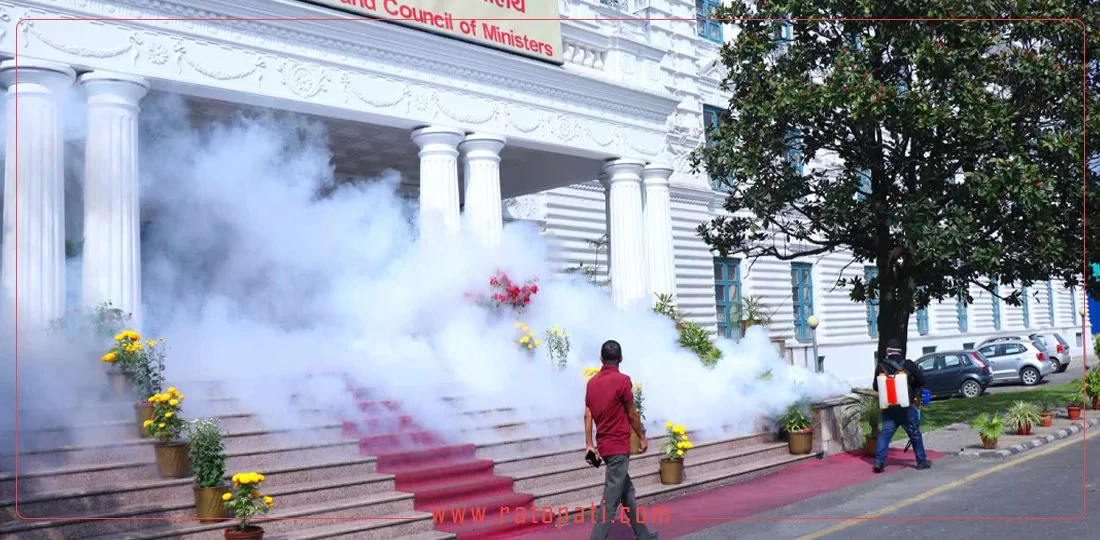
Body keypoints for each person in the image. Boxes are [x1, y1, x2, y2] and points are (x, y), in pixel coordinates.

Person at [584, 340, 658, 540]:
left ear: (601, 358)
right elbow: (632, 413)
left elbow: (588, 415)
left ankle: (643, 535)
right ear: (621, 359)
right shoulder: (623, 381)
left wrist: (589, 443)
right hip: (618, 447)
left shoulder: (591, 383)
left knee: (626, 492)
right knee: (610, 500)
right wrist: (642, 436)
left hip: (605, 447)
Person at [871, 338, 932, 473]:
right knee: (915, 433)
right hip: (906, 407)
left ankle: (879, 462)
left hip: (888, 407)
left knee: (885, 435)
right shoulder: (908, 364)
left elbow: (876, 386)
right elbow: (921, 380)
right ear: (901, 350)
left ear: (888, 351)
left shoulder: (881, 366)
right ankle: (921, 461)